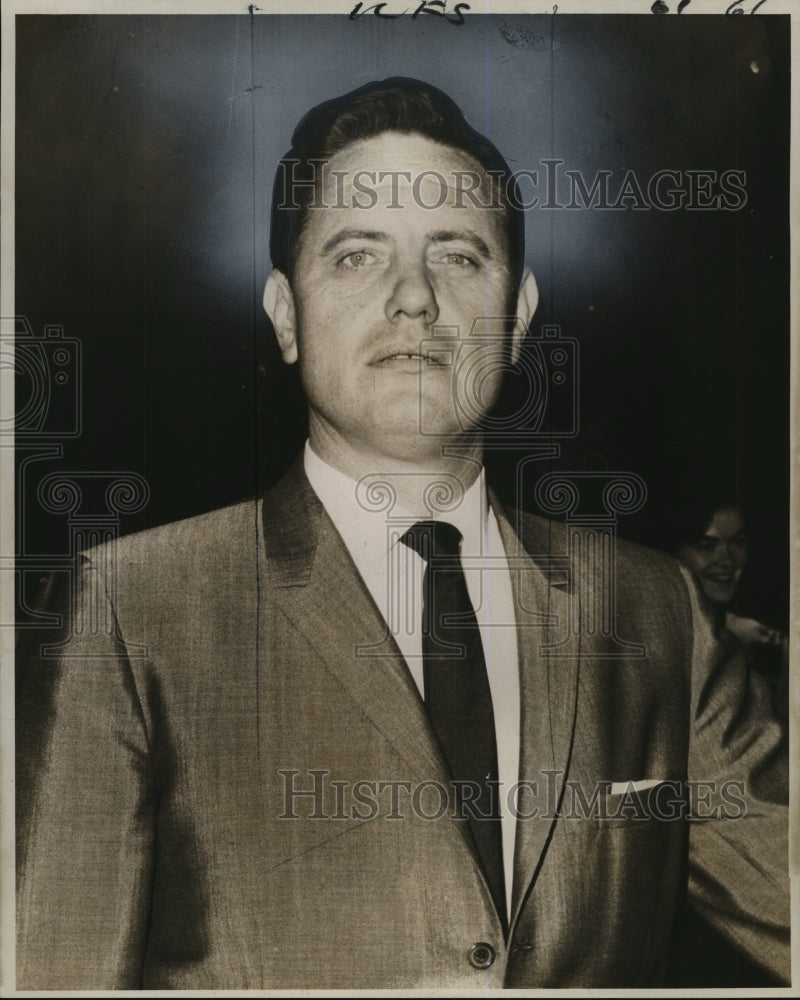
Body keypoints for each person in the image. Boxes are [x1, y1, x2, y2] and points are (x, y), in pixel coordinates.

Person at [15, 78, 789, 990]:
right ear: (285, 313)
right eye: (356, 255)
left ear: (520, 313)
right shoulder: (133, 612)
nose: (415, 297)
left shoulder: (657, 612)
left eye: (459, 256)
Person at [671, 498, 789, 720]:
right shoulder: (650, 638)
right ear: (672, 553)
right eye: (707, 546)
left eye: (738, 542)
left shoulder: (770, 646)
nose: (727, 560)